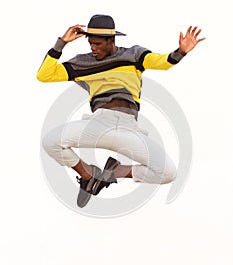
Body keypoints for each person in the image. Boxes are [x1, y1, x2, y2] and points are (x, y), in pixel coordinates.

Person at [37, 14, 205, 208]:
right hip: (98, 124)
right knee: (50, 141)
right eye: (90, 43)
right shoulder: (83, 62)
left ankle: (114, 172)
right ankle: (88, 175)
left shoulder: (133, 55)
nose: (93, 48)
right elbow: (44, 75)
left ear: (112, 40)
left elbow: (161, 62)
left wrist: (181, 52)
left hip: (128, 129)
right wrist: (61, 43)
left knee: (168, 172)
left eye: (98, 44)